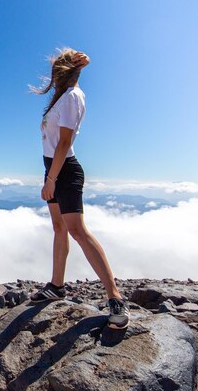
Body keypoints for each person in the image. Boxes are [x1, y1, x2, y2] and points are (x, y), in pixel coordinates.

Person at [28, 47, 130, 329]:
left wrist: (51, 180)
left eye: (56, 69)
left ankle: (115, 297)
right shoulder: (61, 99)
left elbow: (64, 143)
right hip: (54, 169)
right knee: (60, 228)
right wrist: (49, 176)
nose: (52, 75)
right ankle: (57, 286)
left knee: (77, 231)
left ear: (64, 71)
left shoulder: (73, 97)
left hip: (65, 171)